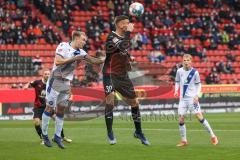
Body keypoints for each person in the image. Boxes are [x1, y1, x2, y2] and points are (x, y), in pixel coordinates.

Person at [41, 31, 104, 149]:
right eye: (83, 40)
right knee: (49, 108)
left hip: (66, 83)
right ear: (76, 38)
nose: (85, 42)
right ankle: (44, 135)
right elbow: (57, 62)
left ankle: (57, 136)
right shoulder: (63, 46)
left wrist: (106, 59)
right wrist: (74, 58)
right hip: (55, 81)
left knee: (61, 110)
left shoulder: (82, 52)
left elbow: (93, 60)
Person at [102, 15, 150, 145]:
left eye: (128, 23)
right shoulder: (111, 37)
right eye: (125, 23)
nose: (128, 25)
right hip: (110, 74)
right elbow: (121, 46)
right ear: (118, 24)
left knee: (134, 102)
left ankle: (138, 132)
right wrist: (129, 32)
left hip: (122, 75)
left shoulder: (122, 38)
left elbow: (121, 50)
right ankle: (110, 132)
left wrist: (129, 57)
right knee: (110, 100)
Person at [174, 54, 218, 147]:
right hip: (182, 100)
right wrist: (176, 90)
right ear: (182, 61)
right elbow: (177, 81)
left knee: (199, 117)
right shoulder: (179, 71)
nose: (186, 62)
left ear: (191, 61)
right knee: (181, 119)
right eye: (184, 60)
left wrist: (197, 95)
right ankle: (184, 140)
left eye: (187, 60)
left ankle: (213, 136)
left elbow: (199, 85)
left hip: (192, 99)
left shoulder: (195, 72)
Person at [24, 69, 72, 144]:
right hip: (38, 106)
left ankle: (61, 137)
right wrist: (26, 86)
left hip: (49, 106)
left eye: (48, 74)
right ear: (43, 75)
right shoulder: (37, 82)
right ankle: (42, 138)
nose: (47, 75)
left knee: (57, 119)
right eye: (45, 74)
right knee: (36, 122)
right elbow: (29, 83)